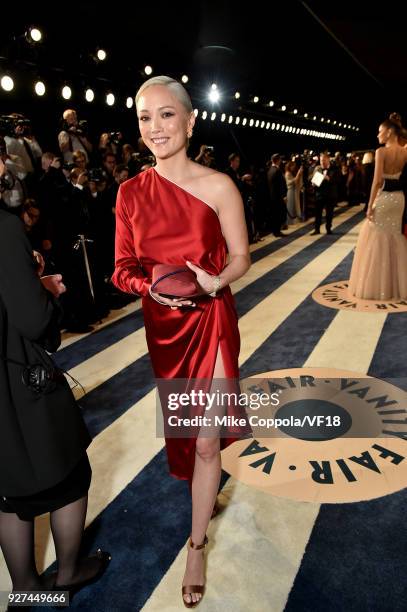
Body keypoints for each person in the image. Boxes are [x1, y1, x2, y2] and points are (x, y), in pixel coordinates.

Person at [112, 75, 251, 607]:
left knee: (209, 439)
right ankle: (203, 496)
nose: (155, 128)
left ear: (190, 121)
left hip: (212, 319)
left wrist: (220, 280)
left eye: (166, 115)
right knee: (188, 437)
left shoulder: (220, 187)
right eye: (145, 117)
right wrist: (152, 287)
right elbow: (123, 269)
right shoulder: (129, 193)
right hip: (165, 328)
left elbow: (240, 256)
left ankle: (196, 545)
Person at [0, 165, 110, 596]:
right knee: (70, 475)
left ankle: (25, 587)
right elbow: (32, 320)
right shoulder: (5, 228)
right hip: (16, 379)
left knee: (9, 493)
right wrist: (46, 291)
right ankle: (66, 573)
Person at [348, 113, 407, 300]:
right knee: (395, 238)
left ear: (389, 132)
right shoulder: (406, 151)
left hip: (384, 198)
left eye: (380, 131)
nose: (378, 135)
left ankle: (379, 286)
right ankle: (397, 285)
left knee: (376, 239)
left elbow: (377, 181)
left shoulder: (381, 152)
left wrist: (369, 205)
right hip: (399, 199)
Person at [310, 152, 339, 235]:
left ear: (328, 159)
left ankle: (328, 229)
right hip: (319, 195)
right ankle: (317, 229)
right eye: (321, 160)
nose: (322, 162)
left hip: (330, 195)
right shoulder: (317, 168)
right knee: (318, 213)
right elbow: (313, 179)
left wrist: (328, 178)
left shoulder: (335, 168)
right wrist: (313, 183)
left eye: (324, 160)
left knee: (329, 214)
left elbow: (338, 180)